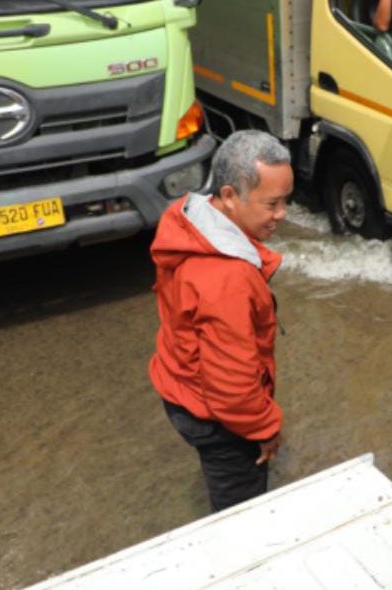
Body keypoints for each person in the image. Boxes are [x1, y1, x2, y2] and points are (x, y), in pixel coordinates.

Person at [148, 130, 292, 513]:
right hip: (215, 418)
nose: (282, 214)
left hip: (178, 387)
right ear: (229, 196)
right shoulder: (228, 280)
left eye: (286, 200)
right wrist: (266, 429)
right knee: (240, 515)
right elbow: (232, 387)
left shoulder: (190, 223)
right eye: (272, 204)